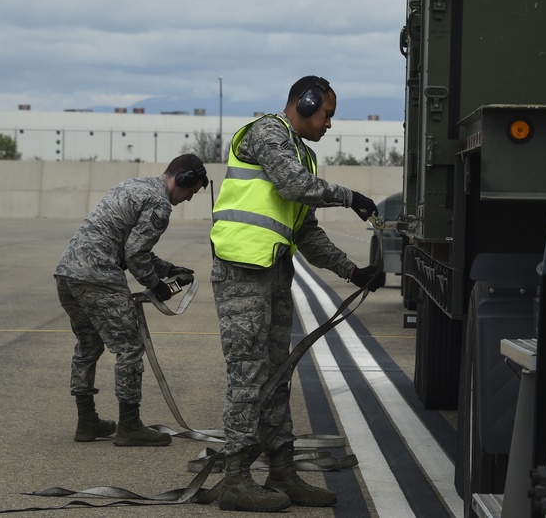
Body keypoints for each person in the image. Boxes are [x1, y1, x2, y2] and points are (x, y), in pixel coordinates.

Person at [209, 76, 384, 512]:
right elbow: (292, 186)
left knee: (277, 374)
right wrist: (350, 197)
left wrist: (352, 270)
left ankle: (282, 470)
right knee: (248, 376)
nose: (328, 124)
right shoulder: (267, 133)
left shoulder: (302, 153)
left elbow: (306, 230)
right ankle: (234, 478)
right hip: (242, 273)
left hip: (273, 273)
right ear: (304, 104)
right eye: (326, 114)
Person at [55, 153, 208, 447]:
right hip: (97, 274)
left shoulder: (133, 186)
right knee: (129, 347)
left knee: (89, 344)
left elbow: (128, 245)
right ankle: (129, 425)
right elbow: (135, 255)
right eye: (192, 190)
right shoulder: (160, 205)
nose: (189, 198)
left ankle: (86, 422)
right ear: (184, 179)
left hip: (67, 273)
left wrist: (167, 269)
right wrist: (156, 285)